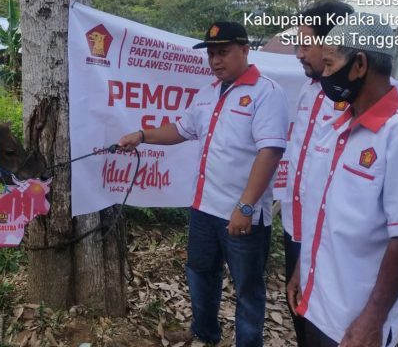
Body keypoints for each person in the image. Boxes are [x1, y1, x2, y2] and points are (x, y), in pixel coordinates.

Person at [119, 21, 288, 347]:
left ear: (245, 50)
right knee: (200, 274)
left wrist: (246, 206)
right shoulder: (207, 94)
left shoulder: (267, 93)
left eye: (223, 52)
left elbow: (270, 152)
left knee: (248, 289)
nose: (215, 61)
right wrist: (141, 136)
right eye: (211, 54)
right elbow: (181, 130)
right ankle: (206, 333)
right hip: (204, 209)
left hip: (243, 215)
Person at [286, 13, 398, 347]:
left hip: (355, 321)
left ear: (360, 64)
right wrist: (302, 270)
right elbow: (325, 215)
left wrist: (372, 320)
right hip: (316, 303)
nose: (323, 74)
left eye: (329, 63)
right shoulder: (337, 126)